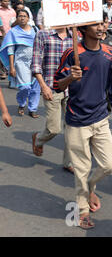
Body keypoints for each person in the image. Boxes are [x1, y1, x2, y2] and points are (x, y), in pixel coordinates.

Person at [53, 22, 112, 229]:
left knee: (108, 165)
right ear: (83, 30)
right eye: (95, 25)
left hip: (101, 118)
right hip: (76, 121)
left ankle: (90, 187)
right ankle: (82, 210)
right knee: (82, 169)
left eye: (102, 24)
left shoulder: (109, 52)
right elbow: (56, 84)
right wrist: (70, 77)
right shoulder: (72, 52)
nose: (101, 28)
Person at [30, 24, 74, 170]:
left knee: (72, 129)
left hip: (72, 89)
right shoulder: (43, 34)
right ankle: (38, 138)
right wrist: (43, 86)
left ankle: (68, 162)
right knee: (54, 129)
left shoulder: (75, 37)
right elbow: (36, 63)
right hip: (51, 87)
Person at [0, 9, 40, 118]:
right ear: (17, 18)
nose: (22, 18)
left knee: (36, 87)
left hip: (35, 61)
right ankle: (21, 103)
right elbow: (10, 50)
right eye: (20, 16)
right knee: (25, 87)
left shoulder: (35, 30)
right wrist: (12, 67)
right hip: (20, 62)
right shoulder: (13, 32)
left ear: (28, 18)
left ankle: (33, 109)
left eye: (24, 16)